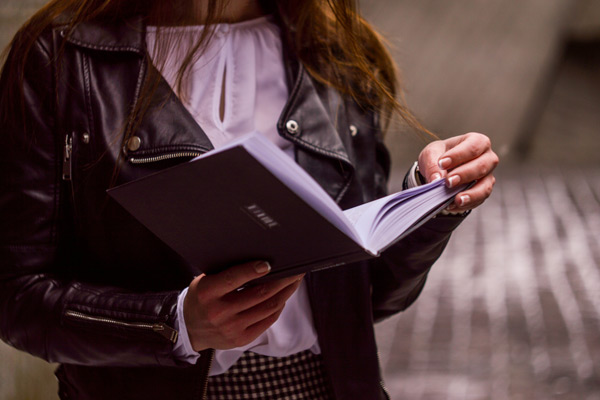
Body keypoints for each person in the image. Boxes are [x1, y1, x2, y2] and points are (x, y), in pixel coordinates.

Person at [0, 0, 498, 399]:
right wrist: (174, 324)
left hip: (322, 387)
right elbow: (16, 296)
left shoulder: (335, 50)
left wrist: (430, 200)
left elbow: (368, 296)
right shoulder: (62, 55)